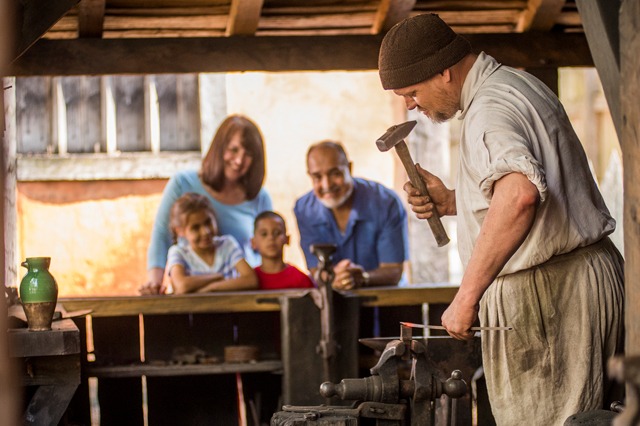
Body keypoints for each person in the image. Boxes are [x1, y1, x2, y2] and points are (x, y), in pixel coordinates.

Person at [378, 13, 624, 425]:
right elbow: (531, 192)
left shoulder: (489, 111)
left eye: (412, 91)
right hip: (566, 283)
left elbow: (520, 197)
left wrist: (465, 298)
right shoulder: (514, 85)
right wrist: (456, 201)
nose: (410, 105)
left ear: (444, 72)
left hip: (552, 297)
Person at [141, 114, 272, 294]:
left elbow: (267, 250)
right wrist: (155, 283)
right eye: (234, 150)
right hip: (192, 297)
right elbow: (162, 235)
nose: (239, 160)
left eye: (248, 154)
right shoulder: (183, 183)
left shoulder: (259, 197)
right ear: (219, 148)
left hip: (242, 295)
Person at [294, 140, 409, 290]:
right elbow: (316, 270)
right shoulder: (304, 209)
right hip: (335, 302)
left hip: (386, 301)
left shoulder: (386, 203)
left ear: (349, 168)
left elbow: (393, 271)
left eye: (335, 173)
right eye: (317, 177)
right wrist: (334, 279)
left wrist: (362, 277)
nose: (327, 185)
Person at [165, 192, 258, 294]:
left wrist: (212, 288)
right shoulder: (178, 252)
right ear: (180, 231)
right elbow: (182, 286)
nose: (205, 231)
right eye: (195, 228)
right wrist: (217, 277)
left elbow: (251, 280)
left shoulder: (227, 245)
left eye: (208, 222)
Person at [251, 210, 315, 290]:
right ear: (253, 242)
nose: (271, 238)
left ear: (287, 239)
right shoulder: (250, 280)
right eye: (264, 234)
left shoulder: (301, 280)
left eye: (277, 233)